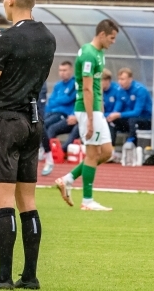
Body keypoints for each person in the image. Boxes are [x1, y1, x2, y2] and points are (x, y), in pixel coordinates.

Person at [0, 0, 56, 289]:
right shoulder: (48, 37)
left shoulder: (6, 39)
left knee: (3, 201)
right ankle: (31, 276)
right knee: (29, 201)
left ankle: (4, 277)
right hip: (34, 121)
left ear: (9, 0)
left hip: (6, 122)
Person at [55, 19, 119, 211]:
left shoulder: (99, 53)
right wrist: (91, 120)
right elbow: (88, 89)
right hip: (87, 109)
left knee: (107, 152)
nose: (113, 41)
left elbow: (96, 88)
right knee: (93, 154)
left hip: (96, 109)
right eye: (112, 38)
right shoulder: (90, 55)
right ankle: (88, 201)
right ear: (102, 35)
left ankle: (68, 179)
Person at [39, 62, 77, 175]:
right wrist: (59, 101)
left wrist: (58, 101)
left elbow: (66, 99)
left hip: (65, 114)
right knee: (40, 123)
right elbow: (51, 101)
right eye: (60, 70)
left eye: (65, 70)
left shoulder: (74, 83)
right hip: (53, 112)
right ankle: (41, 148)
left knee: (49, 127)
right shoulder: (57, 85)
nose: (62, 73)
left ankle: (45, 150)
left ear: (70, 70)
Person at [107, 67, 152, 157]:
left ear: (130, 79)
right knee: (111, 120)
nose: (120, 82)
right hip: (130, 120)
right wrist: (112, 115)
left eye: (123, 79)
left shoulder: (140, 90)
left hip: (146, 120)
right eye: (119, 79)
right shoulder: (120, 90)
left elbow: (137, 112)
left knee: (133, 120)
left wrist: (118, 115)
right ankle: (110, 150)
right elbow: (117, 108)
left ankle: (129, 146)